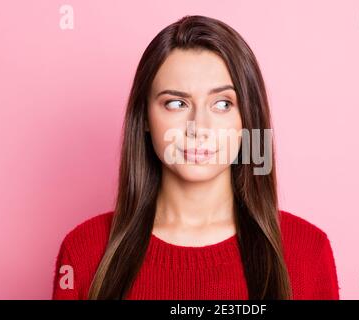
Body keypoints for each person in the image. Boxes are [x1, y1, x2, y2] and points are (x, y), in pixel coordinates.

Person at [52, 15, 340, 300]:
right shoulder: (84, 252)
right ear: (145, 118)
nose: (199, 127)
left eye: (223, 104)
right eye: (176, 103)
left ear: (248, 119)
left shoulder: (307, 253)